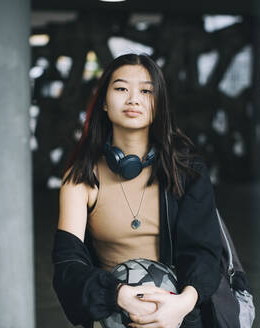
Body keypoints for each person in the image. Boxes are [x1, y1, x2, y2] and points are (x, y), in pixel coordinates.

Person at [52, 53, 222, 328]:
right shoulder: (80, 178)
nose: (133, 99)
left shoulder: (187, 171)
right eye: (121, 88)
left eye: (146, 91)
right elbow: (67, 264)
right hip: (113, 311)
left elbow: (205, 252)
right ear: (104, 102)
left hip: (180, 313)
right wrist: (117, 295)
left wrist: (182, 304)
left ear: (159, 105)